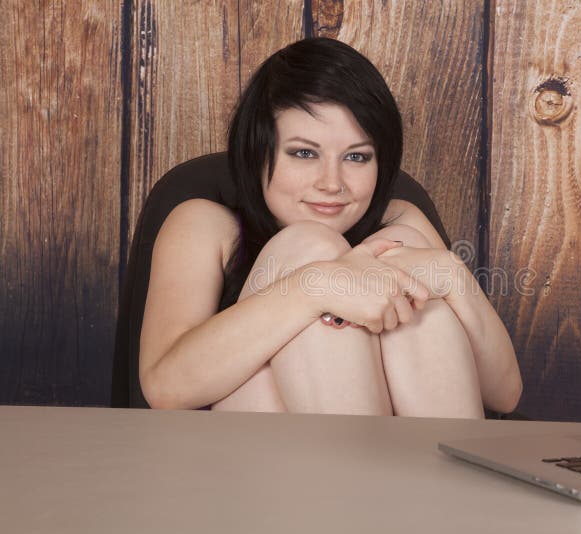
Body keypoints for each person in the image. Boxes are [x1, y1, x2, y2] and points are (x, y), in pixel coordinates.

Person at [139, 37, 521, 418]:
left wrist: (453, 276)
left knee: (408, 257)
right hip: (243, 466)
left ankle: (403, 479)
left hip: (399, 462)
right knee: (311, 246)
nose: (332, 183)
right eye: (304, 153)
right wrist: (315, 286)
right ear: (258, 151)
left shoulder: (401, 222)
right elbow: (164, 389)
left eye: (356, 156)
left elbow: (504, 397)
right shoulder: (204, 226)